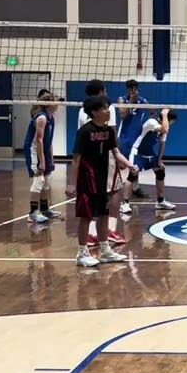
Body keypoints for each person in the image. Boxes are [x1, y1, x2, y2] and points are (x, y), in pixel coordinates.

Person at [67, 96, 132, 267]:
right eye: (104, 108)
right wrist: (71, 183)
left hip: (102, 179)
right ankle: (82, 253)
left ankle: (105, 251)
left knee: (104, 214)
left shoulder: (109, 131)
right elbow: (76, 159)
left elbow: (116, 153)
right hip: (86, 180)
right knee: (86, 216)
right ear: (94, 112)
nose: (108, 111)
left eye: (108, 107)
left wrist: (129, 164)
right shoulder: (85, 132)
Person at [77, 79, 125, 246]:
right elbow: (112, 133)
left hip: (89, 162)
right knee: (113, 191)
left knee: (93, 198)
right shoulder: (106, 108)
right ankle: (109, 230)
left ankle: (92, 234)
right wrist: (119, 157)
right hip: (105, 157)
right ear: (101, 92)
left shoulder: (82, 110)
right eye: (104, 90)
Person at [128, 108, 179, 211]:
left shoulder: (165, 127)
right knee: (132, 175)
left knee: (160, 171)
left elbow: (162, 144)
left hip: (149, 153)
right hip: (138, 151)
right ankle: (124, 203)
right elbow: (164, 129)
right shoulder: (152, 122)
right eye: (172, 122)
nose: (172, 124)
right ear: (168, 119)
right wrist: (164, 114)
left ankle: (160, 201)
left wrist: (159, 161)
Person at [24, 93, 63, 224]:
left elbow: (49, 141)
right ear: (48, 104)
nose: (58, 103)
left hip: (44, 151)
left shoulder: (51, 118)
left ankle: (45, 210)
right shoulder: (41, 118)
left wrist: (50, 159)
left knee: (47, 180)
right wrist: (42, 162)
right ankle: (33, 214)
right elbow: (38, 141)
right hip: (34, 151)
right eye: (55, 101)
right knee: (39, 180)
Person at [117, 80, 151, 214]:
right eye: (130, 88)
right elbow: (122, 114)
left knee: (134, 163)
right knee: (122, 165)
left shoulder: (143, 100)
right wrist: (131, 101)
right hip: (125, 137)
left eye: (134, 88)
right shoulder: (122, 99)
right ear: (127, 89)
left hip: (137, 137)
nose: (132, 90)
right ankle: (117, 189)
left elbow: (152, 111)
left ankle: (135, 188)